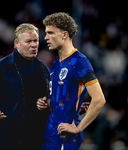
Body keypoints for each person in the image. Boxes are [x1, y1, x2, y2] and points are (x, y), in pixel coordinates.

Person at [37, 12, 106, 150]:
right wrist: (45, 103)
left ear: (64, 34)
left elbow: (99, 99)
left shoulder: (80, 62)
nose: (45, 37)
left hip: (65, 137)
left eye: (50, 33)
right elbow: (59, 99)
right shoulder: (55, 62)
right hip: (50, 134)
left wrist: (78, 127)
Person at [0, 23, 50, 150]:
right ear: (17, 43)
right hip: (6, 139)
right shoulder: (1, 67)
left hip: (35, 139)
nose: (34, 45)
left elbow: (48, 97)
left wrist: (46, 102)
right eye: (28, 41)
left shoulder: (43, 69)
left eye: (35, 41)